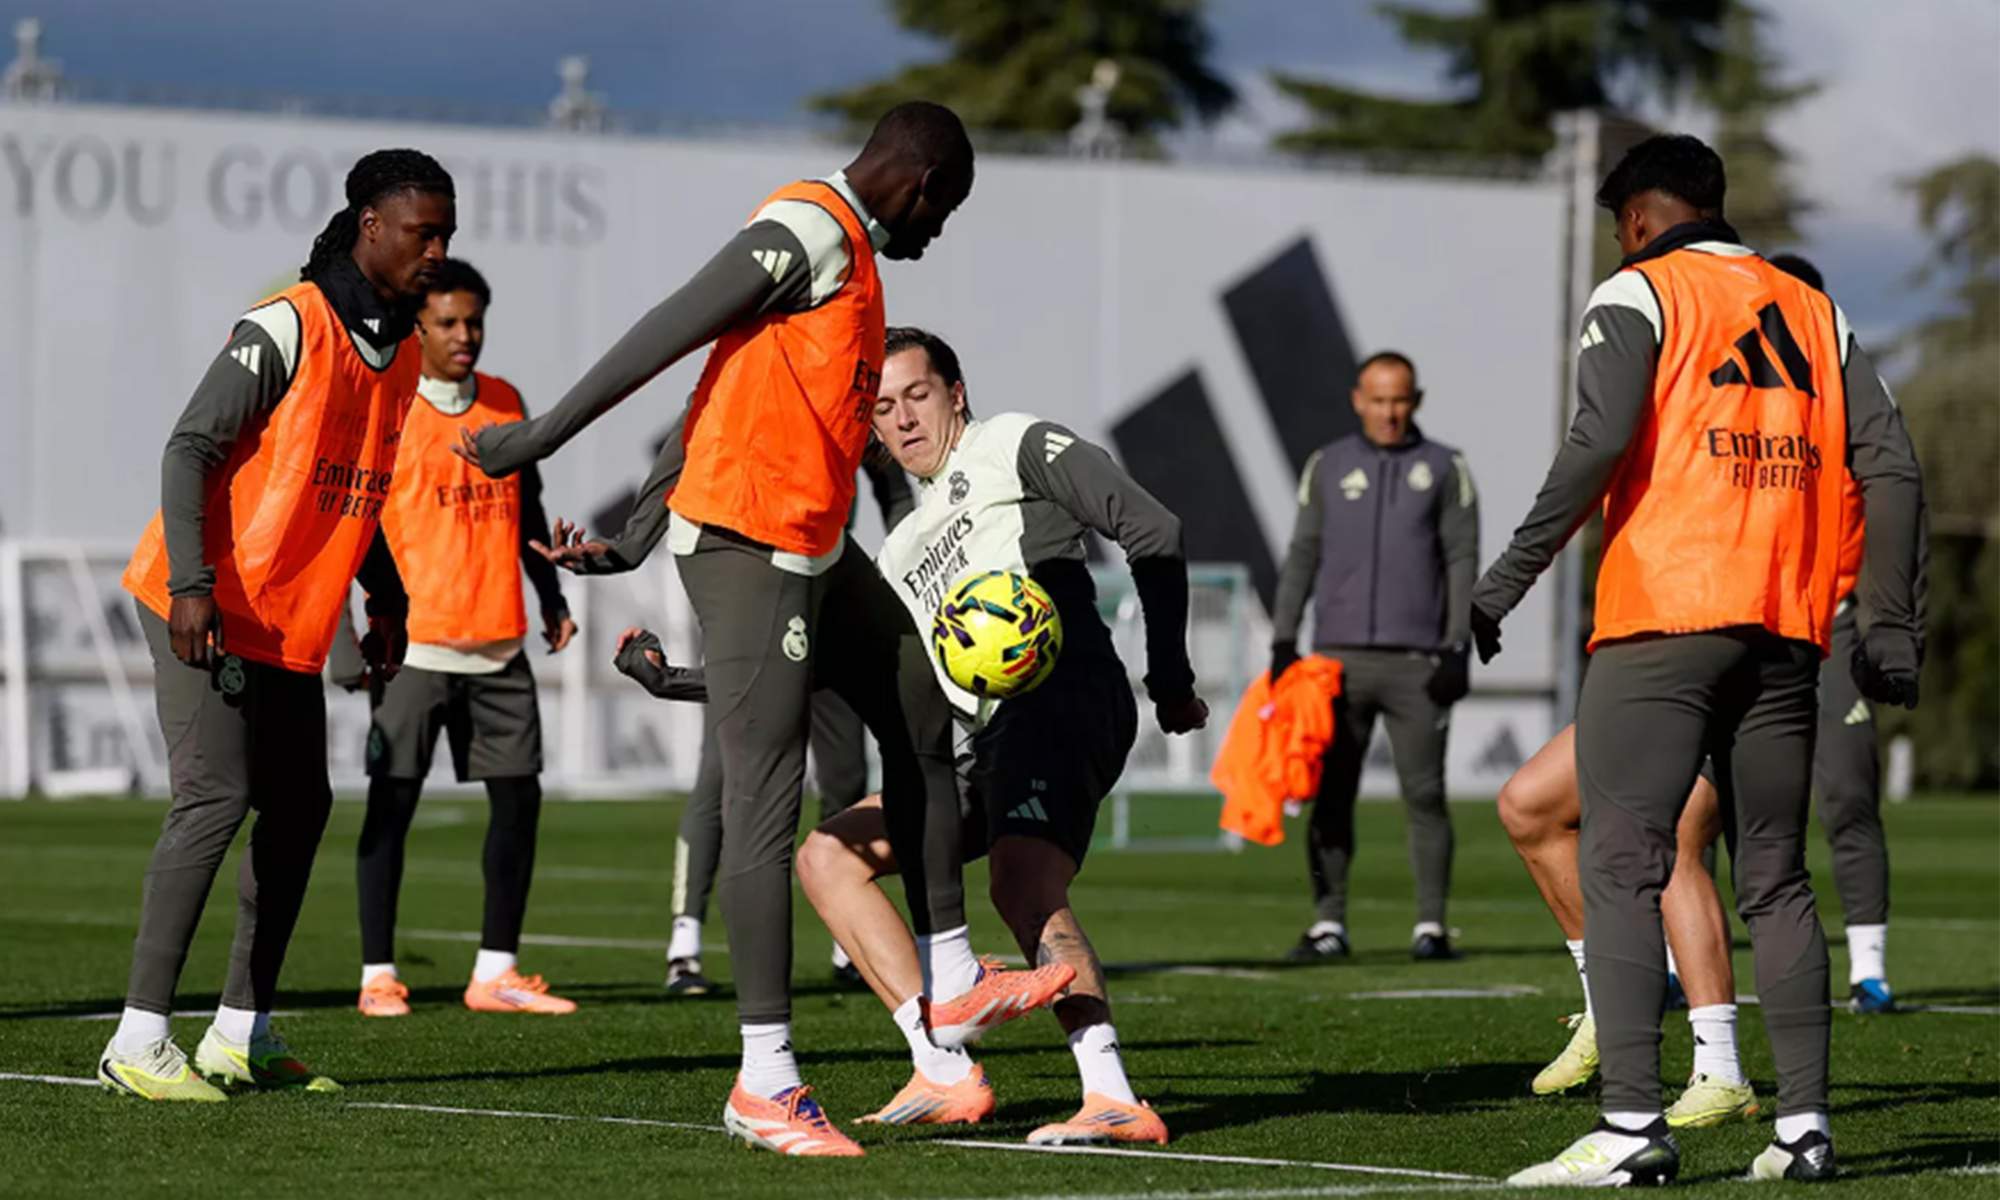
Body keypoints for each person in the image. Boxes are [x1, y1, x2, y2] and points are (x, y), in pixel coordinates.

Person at [457, 102, 1061, 1157]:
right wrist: (541, 434)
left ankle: (952, 988)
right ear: (918, 182)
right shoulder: (812, 225)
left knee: (919, 699)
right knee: (765, 802)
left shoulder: (857, 263)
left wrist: (634, 529)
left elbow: (715, 386)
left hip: (816, 549)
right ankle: (764, 1082)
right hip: (747, 548)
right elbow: (674, 328)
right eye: (945, 209)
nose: (939, 231)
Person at [615, 325, 1207, 1144]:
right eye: (881, 407)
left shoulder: (1012, 443)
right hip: (980, 737)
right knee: (829, 858)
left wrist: (1170, 679)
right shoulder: (896, 555)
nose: (901, 420)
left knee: (1020, 875)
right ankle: (943, 1068)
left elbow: (1153, 529)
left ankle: (1111, 1094)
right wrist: (675, 680)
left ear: (957, 393)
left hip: (1060, 690)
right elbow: (809, 665)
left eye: (917, 395)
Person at [1474, 134, 1924, 1186]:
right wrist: (1891, 626)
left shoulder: (1634, 293)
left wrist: (1503, 581)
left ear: (1634, 220)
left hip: (1665, 616)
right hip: (1787, 631)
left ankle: (1632, 1131)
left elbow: (1595, 443)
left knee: (1620, 863)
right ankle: (1802, 1131)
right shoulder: (1817, 309)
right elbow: (1891, 468)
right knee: (1773, 877)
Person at [100, 150, 455, 1101]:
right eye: (424, 232)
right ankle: (137, 1040)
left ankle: (238, 1035)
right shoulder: (286, 324)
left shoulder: (402, 351)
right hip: (205, 604)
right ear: (371, 226)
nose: (438, 250)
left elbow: (361, 494)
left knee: (301, 808)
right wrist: (190, 585)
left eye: (447, 235)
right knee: (215, 798)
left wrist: (387, 597)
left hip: (291, 619)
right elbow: (189, 448)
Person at [531, 418, 914, 996]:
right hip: (753, 605)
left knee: (847, 778)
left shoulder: (837, 389)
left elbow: (894, 487)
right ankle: (685, 947)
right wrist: (628, 545)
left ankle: (851, 942)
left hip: (832, 603)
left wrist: (908, 561)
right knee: (722, 780)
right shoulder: (733, 387)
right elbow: (674, 462)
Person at [349, 258, 580, 1019]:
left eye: (472, 321)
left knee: (520, 806)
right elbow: (363, 525)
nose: (463, 335)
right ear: (418, 327)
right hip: (419, 650)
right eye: (447, 322)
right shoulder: (391, 405)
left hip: (499, 643)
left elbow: (531, 507)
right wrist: (372, 618)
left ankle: (495, 972)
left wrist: (551, 594)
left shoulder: (507, 402)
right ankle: (377, 974)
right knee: (392, 807)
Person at [1269, 351, 1480, 962]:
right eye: (1378, 399)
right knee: (1332, 794)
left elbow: (1462, 559)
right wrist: (1285, 639)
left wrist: (1456, 644)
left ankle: (1431, 928)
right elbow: (1302, 554)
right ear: (1358, 399)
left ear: (1415, 400)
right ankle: (1328, 923)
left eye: (1400, 400)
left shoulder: (1446, 467)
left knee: (1426, 794)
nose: (1389, 411)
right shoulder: (1328, 465)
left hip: (1419, 662)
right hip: (1335, 662)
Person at [1499, 728, 1758, 1129]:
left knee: (1673, 838)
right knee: (1528, 805)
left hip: (1709, 689)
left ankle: (1720, 1067)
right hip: (1634, 680)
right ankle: (1605, 1005)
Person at [1768, 253, 1901, 1015]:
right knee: (1711, 807)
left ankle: (1869, 968)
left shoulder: (1855, 404)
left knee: (1848, 794)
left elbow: (1892, 508)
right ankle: (1685, 964)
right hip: (1748, 624)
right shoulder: (1727, 398)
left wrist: (1884, 624)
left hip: (1834, 628)